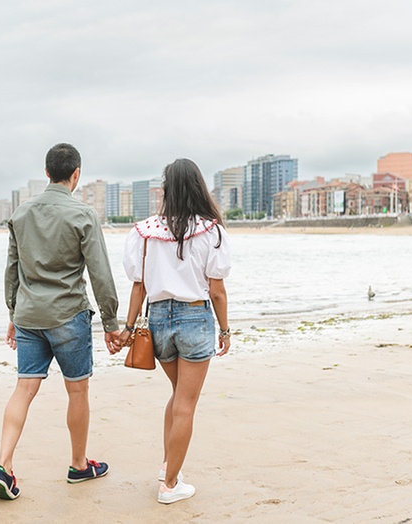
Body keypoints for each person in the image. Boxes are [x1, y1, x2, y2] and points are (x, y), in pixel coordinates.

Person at [0, 143, 122, 500]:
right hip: (67, 315)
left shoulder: (21, 214)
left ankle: (4, 465)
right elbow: (100, 273)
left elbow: (12, 270)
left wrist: (12, 314)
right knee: (77, 389)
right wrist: (112, 321)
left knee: (24, 388)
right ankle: (79, 465)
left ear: (47, 172)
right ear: (75, 174)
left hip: (29, 316)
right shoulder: (83, 214)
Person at [113, 158, 231, 504]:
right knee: (186, 404)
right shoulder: (211, 230)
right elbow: (218, 290)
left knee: (179, 395)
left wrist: (129, 328)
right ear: (198, 187)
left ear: (166, 189)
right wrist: (225, 330)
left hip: (159, 320)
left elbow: (139, 286)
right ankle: (169, 484)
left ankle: (169, 464)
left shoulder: (145, 232)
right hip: (195, 317)